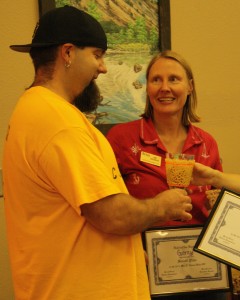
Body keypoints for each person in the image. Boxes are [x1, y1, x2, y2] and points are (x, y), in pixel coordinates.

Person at [3, 6, 193, 300]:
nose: (103, 67)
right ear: (67, 53)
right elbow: (110, 215)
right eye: (97, 55)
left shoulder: (40, 111)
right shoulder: (57, 121)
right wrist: (162, 205)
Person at [107, 50, 223, 227]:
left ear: (190, 87)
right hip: (139, 251)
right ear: (147, 88)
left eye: (174, 79)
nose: (164, 88)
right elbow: (106, 209)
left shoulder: (207, 143)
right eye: (156, 80)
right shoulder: (121, 138)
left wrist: (215, 207)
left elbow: (220, 207)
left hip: (194, 251)